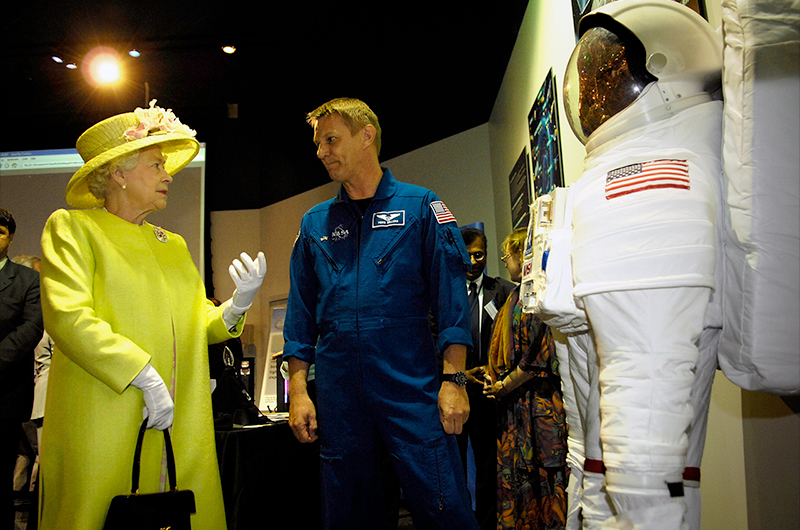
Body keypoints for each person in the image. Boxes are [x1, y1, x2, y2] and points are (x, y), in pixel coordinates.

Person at [38, 101, 267, 530]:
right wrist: (141, 373)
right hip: (106, 414)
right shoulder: (73, 228)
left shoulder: (173, 244)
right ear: (119, 173)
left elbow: (199, 321)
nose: (169, 175)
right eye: (156, 164)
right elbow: (67, 316)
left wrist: (236, 304)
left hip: (180, 422)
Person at [283, 97, 479, 529]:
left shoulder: (421, 207)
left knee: (444, 503)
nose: (321, 152)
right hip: (339, 396)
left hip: (411, 385)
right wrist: (298, 391)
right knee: (348, 512)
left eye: (331, 140)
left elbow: (451, 303)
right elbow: (299, 317)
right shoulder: (315, 223)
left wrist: (455, 381)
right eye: (318, 144)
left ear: (366, 135)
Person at [483, 228, 568, 530]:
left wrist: (503, 385)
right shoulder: (517, 296)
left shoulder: (539, 296)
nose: (505, 262)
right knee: (520, 478)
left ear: (522, 254)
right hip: (516, 408)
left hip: (539, 407)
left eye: (508, 255)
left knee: (543, 478)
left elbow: (537, 358)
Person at [457, 227, 515, 529]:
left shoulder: (503, 290)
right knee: (453, 465)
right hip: (455, 390)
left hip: (489, 392)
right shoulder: (448, 292)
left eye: (479, 255)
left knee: (487, 465)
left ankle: (487, 524)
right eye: (467, 256)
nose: (473, 261)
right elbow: (431, 336)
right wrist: (459, 374)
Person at [0, 210, 44, 530]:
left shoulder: (27, 278)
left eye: (0, 232)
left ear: (11, 237)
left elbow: (32, 328)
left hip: (6, 389)